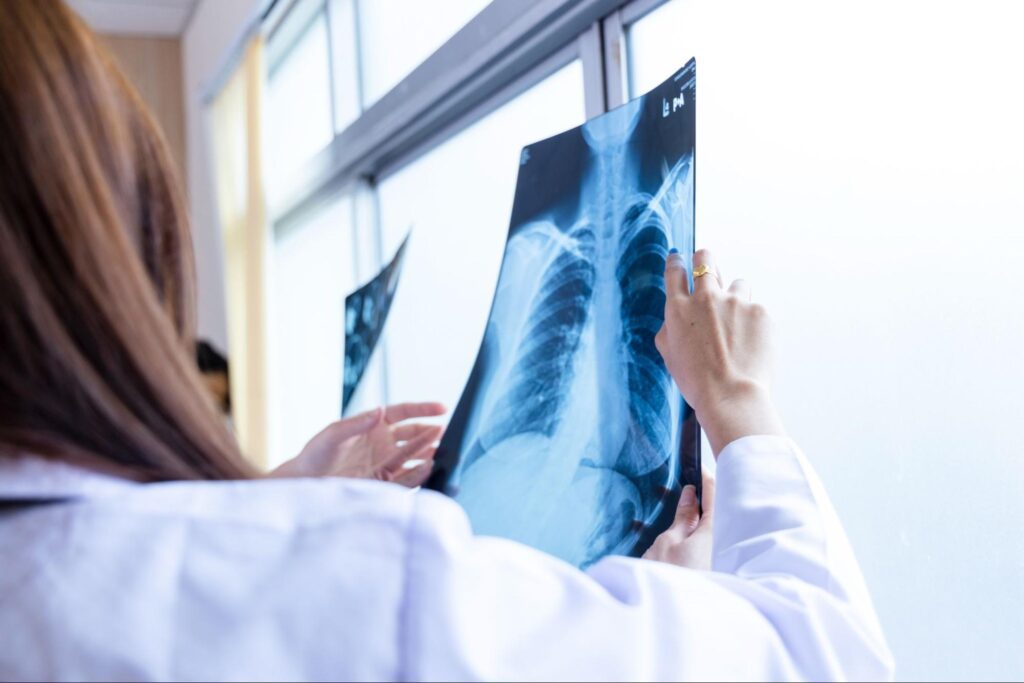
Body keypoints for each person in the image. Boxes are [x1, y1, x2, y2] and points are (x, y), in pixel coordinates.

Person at [0, 2, 893, 681]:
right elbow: (825, 656)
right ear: (106, 270)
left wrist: (253, 496)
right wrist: (740, 404)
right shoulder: (352, 577)